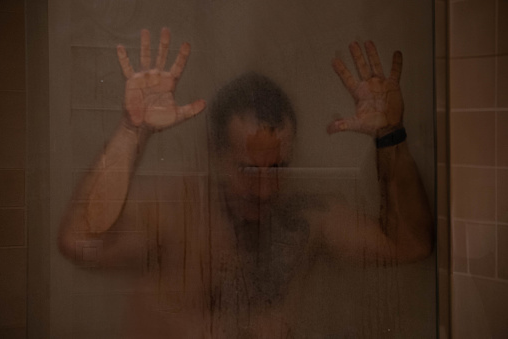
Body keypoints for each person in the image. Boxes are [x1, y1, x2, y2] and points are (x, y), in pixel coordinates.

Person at [58, 27, 433, 338]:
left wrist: (390, 136)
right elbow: (80, 241)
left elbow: (409, 245)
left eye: (278, 169)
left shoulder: (303, 219)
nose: (266, 189)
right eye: (249, 171)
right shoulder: (175, 213)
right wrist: (132, 129)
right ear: (215, 155)